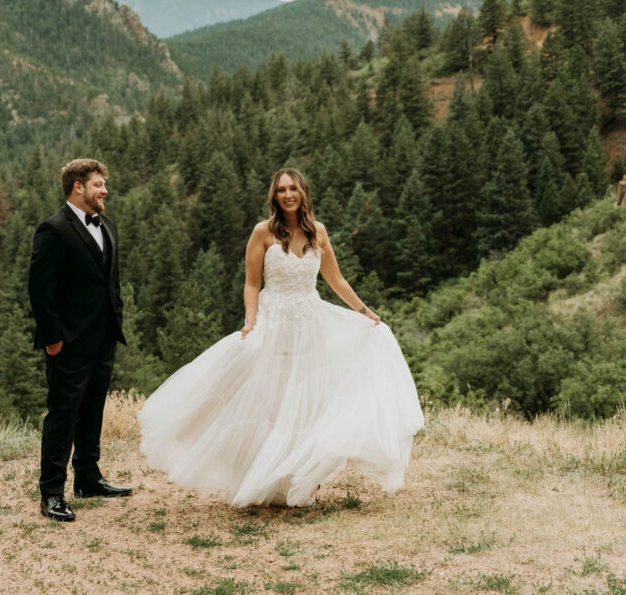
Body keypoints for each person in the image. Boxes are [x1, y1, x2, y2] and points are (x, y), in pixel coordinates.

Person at [139, 168, 424, 507]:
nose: (288, 195)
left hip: (310, 325)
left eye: (293, 189)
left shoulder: (318, 232)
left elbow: (336, 280)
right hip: (274, 323)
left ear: (303, 192)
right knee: (272, 405)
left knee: (308, 405)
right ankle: (269, 479)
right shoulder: (263, 232)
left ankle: (304, 481)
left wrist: (366, 313)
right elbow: (251, 283)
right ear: (274, 196)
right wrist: (251, 321)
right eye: (281, 190)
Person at [28, 158, 131, 522]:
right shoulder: (53, 230)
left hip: (103, 338)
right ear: (78, 187)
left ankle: (88, 477)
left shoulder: (108, 226)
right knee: (62, 414)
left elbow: (110, 283)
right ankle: (52, 492)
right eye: (98, 184)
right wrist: (53, 340)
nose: (105, 191)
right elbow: (40, 291)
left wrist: (115, 321)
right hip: (68, 343)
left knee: (92, 409)